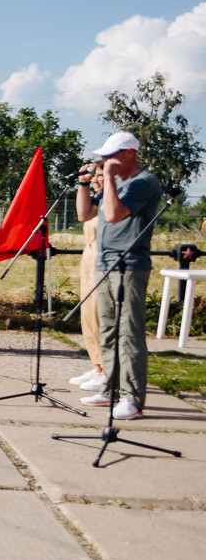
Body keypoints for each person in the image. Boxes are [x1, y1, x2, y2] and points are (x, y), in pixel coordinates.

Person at [78, 131, 162, 420]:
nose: (105, 161)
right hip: (105, 262)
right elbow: (85, 213)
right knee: (109, 331)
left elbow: (113, 215)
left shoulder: (144, 182)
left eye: (111, 156)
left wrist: (110, 178)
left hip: (130, 264)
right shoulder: (117, 183)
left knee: (129, 333)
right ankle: (111, 389)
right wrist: (85, 184)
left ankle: (133, 398)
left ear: (130, 153)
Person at [69, 163, 107, 393]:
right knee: (88, 316)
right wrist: (83, 183)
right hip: (89, 257)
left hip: (104, 259)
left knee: (99, 315)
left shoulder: (114, 199)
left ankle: (106, 369)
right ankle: (96, 365)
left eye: (99, 176)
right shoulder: (98, 199)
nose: (95, 179)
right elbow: (83, 214)